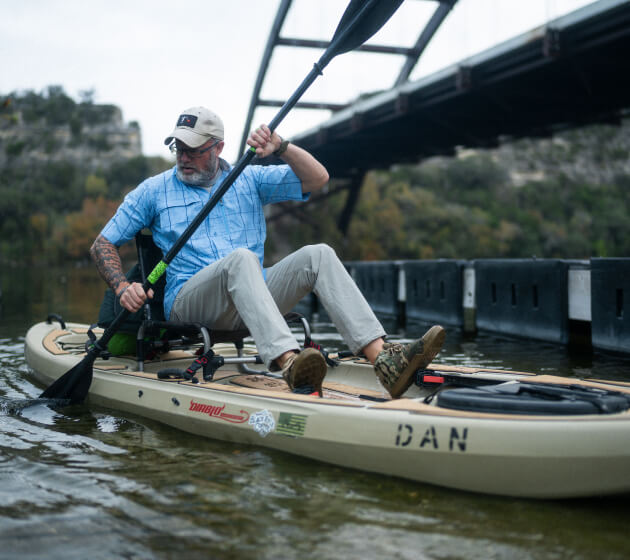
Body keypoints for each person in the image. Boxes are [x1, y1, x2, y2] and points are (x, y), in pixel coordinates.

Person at [90, 106, 445, 397]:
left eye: (194, 151)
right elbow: (102, 243)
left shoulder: (249, 179)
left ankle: (383, 360)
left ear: (218, 148)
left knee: (317, 254)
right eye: (178, 149)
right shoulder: (154, 191)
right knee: (241, 259)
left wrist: (282, 147)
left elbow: (318, 179)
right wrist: (123, 287)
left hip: (251, 299)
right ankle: (289, 363)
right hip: (189, 303)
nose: (184, 158)